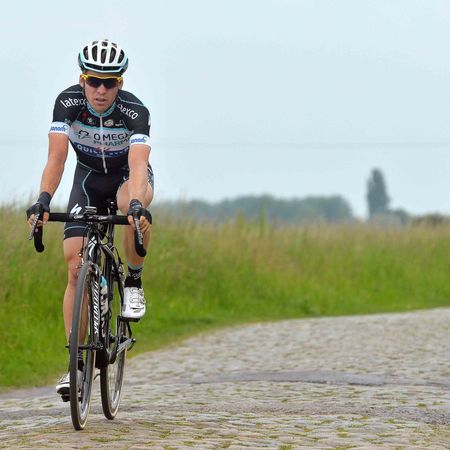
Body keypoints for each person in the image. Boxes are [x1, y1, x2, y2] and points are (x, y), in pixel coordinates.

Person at [26, 39, 153, 396]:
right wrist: (43, 200)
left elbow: (138, 164)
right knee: (74, 266)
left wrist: (138, 204)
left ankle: (133, 282)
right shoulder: (67, 103)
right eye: (93, 81)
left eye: (109, 83)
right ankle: (76, 366)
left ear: (119, 84)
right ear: (82, 79)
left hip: (127, 178)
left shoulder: (135, 111)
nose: (100, 90)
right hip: (88, 181)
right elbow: (57, 158)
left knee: (131, 209)